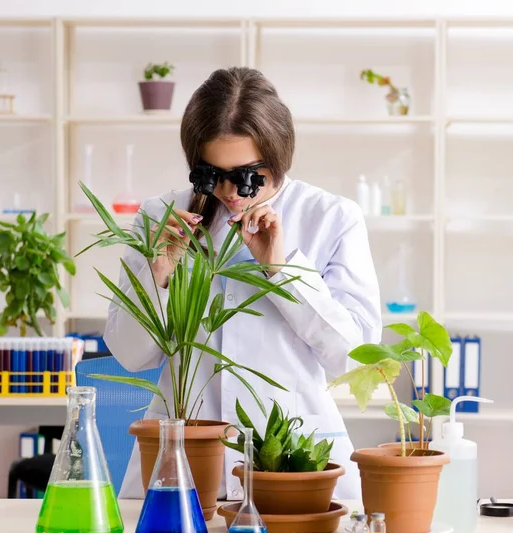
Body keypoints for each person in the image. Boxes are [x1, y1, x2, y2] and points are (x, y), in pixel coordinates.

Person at [104, 67, 382, 501]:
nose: (232, 193)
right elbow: (130, 354)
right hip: (183, 456)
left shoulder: (329, 217)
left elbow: (357, 357)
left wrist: (282, 269)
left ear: (279, 155)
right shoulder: (162, 216)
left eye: (249, 175)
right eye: (214, 175)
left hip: (291, 458)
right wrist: (157, 273)